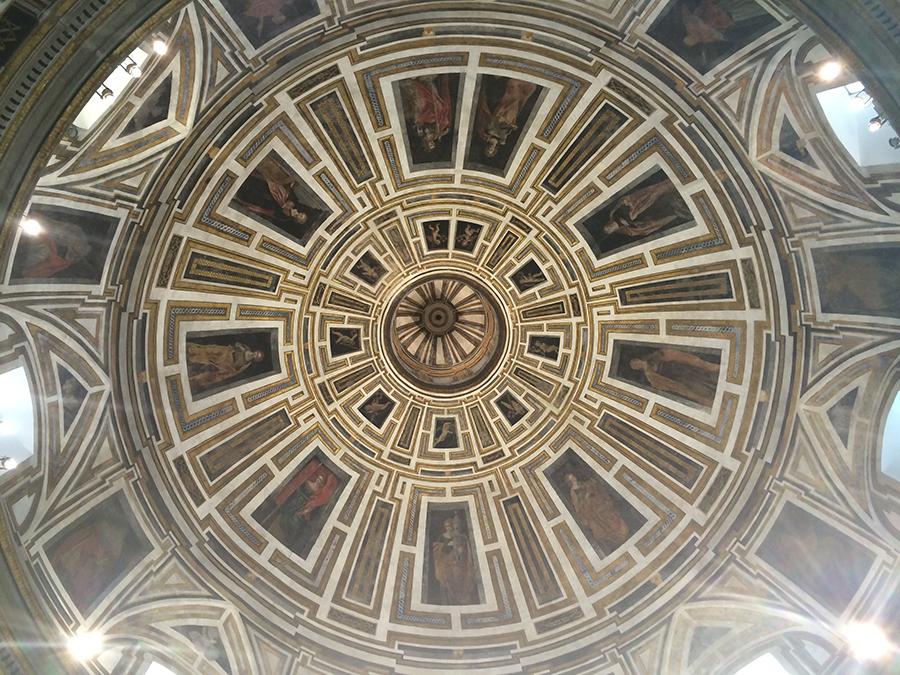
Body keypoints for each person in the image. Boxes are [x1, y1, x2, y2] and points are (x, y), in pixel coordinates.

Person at [233, 155, 311, 231]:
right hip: (273, 192)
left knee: (251, 193)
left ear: (297, 220)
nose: (300, 214)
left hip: (267, 201)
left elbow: (275, 213)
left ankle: (237, 184)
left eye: (301, 217)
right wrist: (289, 202)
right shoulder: (296, 205)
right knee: (257, 182)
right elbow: (292, 195)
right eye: (302, 214)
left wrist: (283, 208)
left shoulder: (285, 218)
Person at [564, 472, 631, 556]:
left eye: (573, 476)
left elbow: (593, 488)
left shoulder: (582, 484)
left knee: (611, 518)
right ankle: (616, 537)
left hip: (599, 504)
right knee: (602, 524)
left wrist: (591, 489)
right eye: (571, 478)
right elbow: (577, 505)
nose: (573, 478)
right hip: (591, 510)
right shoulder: (573, 491)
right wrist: (586, 498)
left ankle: (621, 533)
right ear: (569, 481)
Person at [603, 176, 692, 239]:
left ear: (608, 222)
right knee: (667, 209)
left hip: (642, 204)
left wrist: (631, 209)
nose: (611, 227)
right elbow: (641, 230)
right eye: (610, 229)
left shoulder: (615, 213)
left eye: (608, 226)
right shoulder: (626, 230)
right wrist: (635, 223)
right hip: (649, 215)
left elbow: (625, 201)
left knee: (657, 194)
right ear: (613, 231)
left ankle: (676, 188)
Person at [628, 346, 719, 407]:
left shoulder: (654, 356)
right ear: (637, 369)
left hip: (686, 369)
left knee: (708, 377)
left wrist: (706, 366)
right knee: (704, 389)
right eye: (636, 366)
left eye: (636, 362)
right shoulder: (650, 375)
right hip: (682, 380)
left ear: (638, 359)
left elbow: (675, 356)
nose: (638, 365)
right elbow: (670, 386)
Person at [473, 78, 537, 159]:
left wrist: (497, 121)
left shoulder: (485, 136)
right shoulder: (502, 141)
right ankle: (521, 89)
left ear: (486, 148)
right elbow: (507, 131)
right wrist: (512, 127)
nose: (491, 149)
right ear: (495, 150)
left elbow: (488, 123)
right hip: (509, 120)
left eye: (488, 150)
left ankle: (516, 86)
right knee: (516, 104)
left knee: (509, 99)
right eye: (492, 151)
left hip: (499, 116)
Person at [399, 75, 453, 155]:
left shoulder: (421, 134)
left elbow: (418, 126)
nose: (431, 143)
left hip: (424, 117)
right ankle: (427, 86)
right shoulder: (436, 135)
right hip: (432, 117)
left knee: (427, 106)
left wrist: (420, 126)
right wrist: (442, 130)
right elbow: (440, 126)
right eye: (432, 144)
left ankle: (418, 86)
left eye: (429, 145)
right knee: (440, 108)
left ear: (425, 144)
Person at [431, 514, 478, 604]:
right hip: (445, 564)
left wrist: (461, 550)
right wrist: (446, 545)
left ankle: (462, 598)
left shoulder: (460, 536)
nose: (449, 528)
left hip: (458, 564)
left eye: (450, 526)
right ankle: (449, 600)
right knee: (447, 582)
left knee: (460, 580)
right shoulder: (443, 536)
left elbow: (466, 549)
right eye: (447, 526)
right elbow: (436, 550)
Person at [186, 340, 265, 392]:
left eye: (256, 356)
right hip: (224, 352)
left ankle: (193, 378)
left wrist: (226, 368)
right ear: (255, 351)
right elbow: (237, 343)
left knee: (209, 373)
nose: (254, 355)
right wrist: (240, 347)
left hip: (226, 363)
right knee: (208, 351)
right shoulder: (247, 348)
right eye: (256, 353)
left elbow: (235, 370)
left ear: (255, 359)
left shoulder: (247, 364)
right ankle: (190, 353)